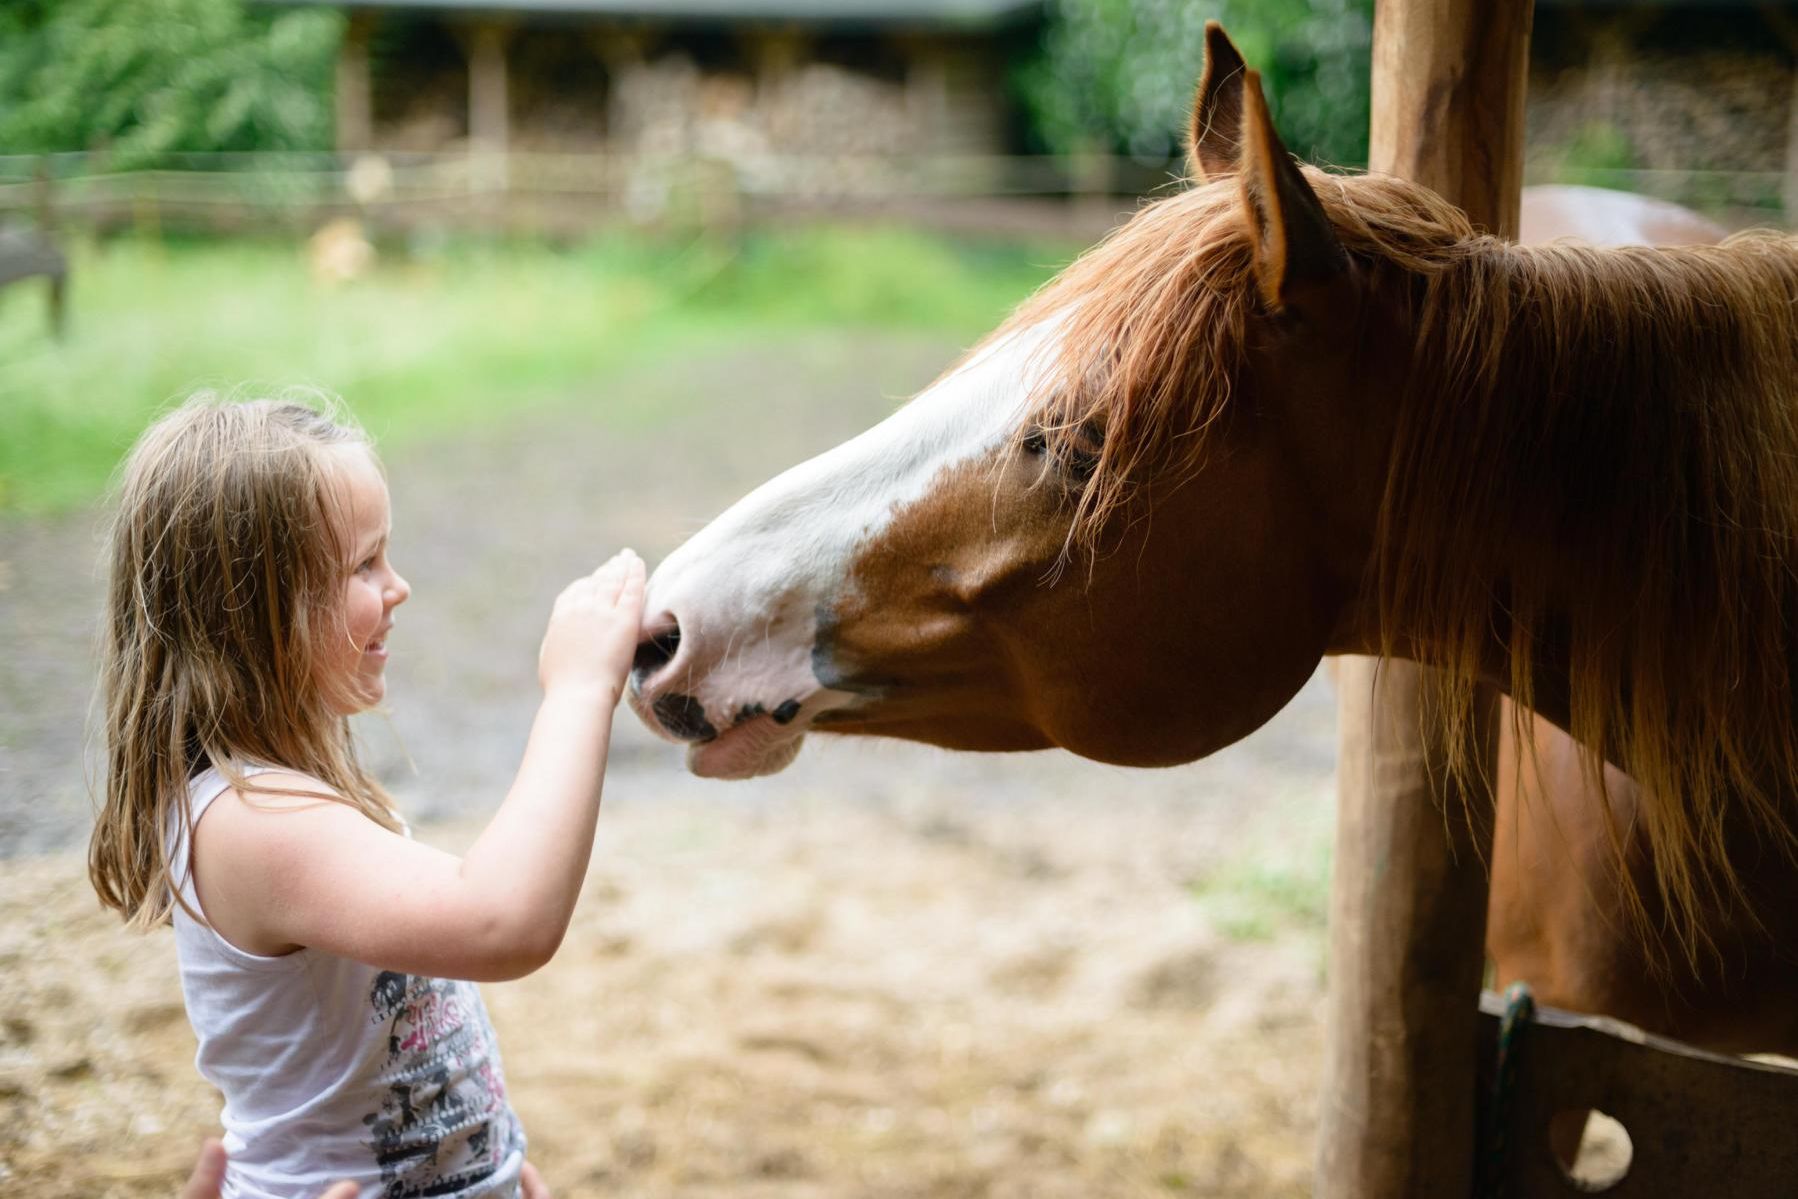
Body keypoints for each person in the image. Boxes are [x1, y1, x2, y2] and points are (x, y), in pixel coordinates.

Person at [88, 392, 644, 1198]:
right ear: (256, 614)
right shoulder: (249, 823)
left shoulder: (285, 796)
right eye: (363, 564)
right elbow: (501, 919)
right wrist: (579, 690)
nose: (399, 585)